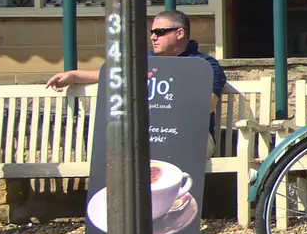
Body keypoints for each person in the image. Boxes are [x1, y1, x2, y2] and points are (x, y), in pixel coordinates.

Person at [46, 9, 228, 144]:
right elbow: (109, 74)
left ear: (180, 33)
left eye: (160, 32)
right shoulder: (144, 61)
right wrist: (73, 75)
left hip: (190, 136)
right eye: (152, 33)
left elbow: (208, 105)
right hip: (147, 135)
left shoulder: (205, 65)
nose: (153, 38)